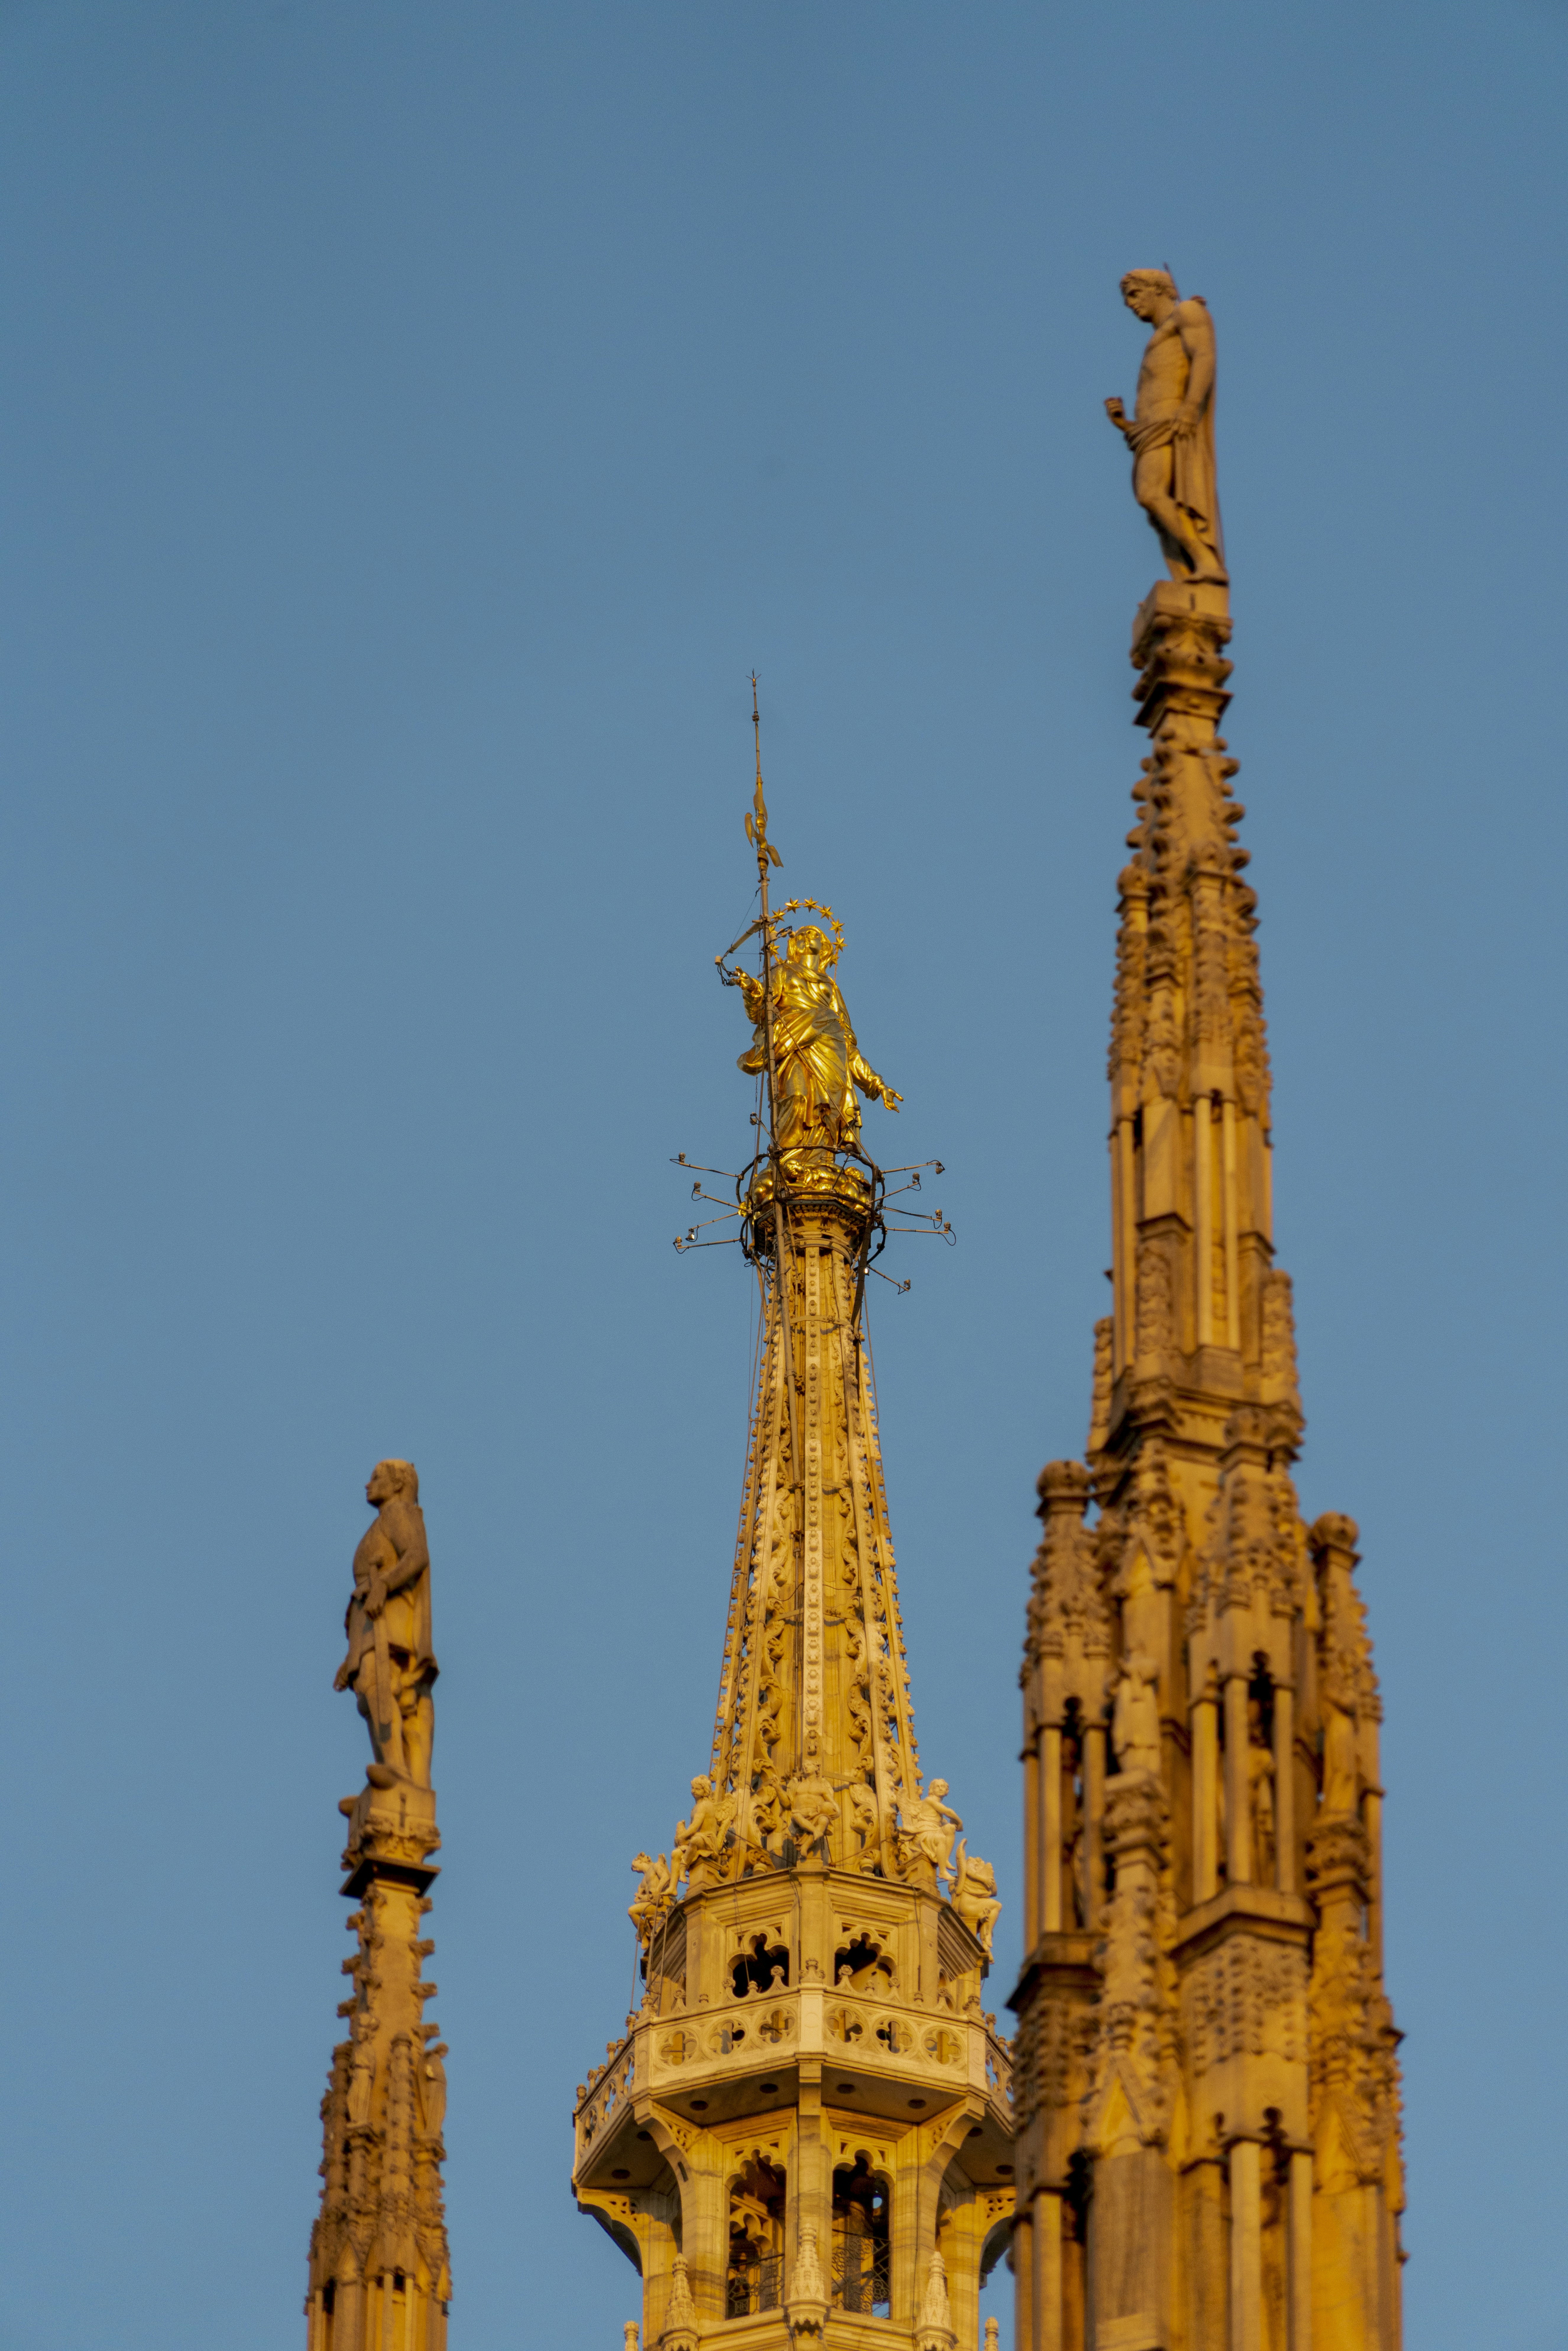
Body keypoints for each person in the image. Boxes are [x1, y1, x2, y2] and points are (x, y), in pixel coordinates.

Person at [728, 925, 900, 1162]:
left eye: (816, 934)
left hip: (832, 1052)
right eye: (802, 934)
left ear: (826, 946)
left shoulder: (831, 987)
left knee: (828, 1111)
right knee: (797, 1097)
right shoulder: (783, 972)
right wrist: (751, 989)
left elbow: (848, 1041)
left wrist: (876, 1084)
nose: (809, 936)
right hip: (793, 1042)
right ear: (793, 944)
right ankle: (789, 1160)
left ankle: (822, 1163)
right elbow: (761, 1013)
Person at [1104, 269, 1227, 586]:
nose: (1129, 305)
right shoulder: (1158, 337)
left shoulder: (1187, 312)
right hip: (1149, 431)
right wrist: (1124, 424)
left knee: (1152, 495)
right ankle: (1187, 577)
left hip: (1172, 423)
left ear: (1157, 289)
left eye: (1134, 294)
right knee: (1158, 511)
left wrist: (1189, 407)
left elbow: (1204, 357)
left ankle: (1206, 561)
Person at [335, 1459, 436, 1786]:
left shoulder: (398, 1514)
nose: (368, 1484)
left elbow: (417, 1555)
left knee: (380, 1682)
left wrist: (384, 1584)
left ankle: (397, 1768)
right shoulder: (385, 1520)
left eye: (376, 1478)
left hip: (389, 1615)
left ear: (397, 1484)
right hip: (371, 1619)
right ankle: (394, 1770)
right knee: (368, 1690)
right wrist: (351, 1657)